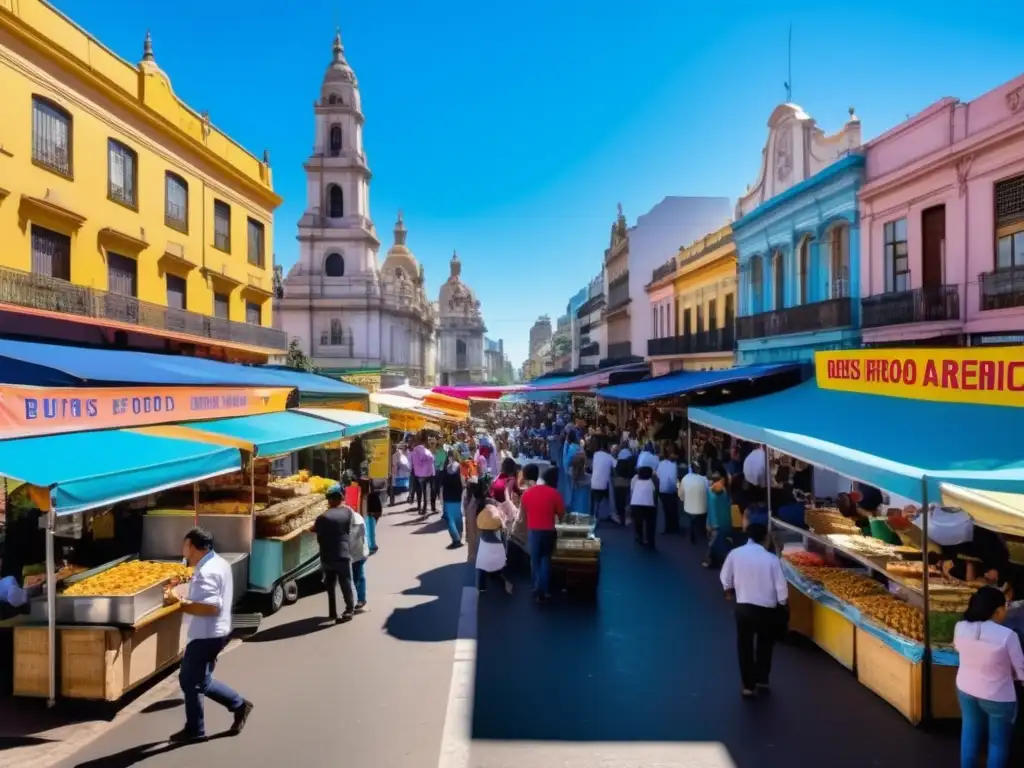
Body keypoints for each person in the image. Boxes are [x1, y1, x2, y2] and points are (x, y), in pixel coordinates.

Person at [165, 527, 252, 742]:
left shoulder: (207, 571)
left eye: (184, 545)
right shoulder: (218, 563)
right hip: (217, 632)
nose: (183, 550)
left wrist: (179, 602)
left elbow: (211, 607)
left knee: (189, 680)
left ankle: (196, 729)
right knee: (199, 680)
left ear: (192, 546)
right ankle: (238, 705)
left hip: (206, 635)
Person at [954, 585, 1024, 768]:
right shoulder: (1008, 635)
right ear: (998, 610)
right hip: (998, 697)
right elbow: (1021, 669)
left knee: (969, 735)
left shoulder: (960, 627)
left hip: (966, 690)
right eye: (1005, 606)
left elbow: (960, 650)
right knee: (998, 743)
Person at [720, 523, 788, 698]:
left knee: (744, 645)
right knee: (765, 643)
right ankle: (762, 678)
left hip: (743, 607)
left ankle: (748, 685)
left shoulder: (735, 554)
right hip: (767, 609)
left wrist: (729, 591)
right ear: (765, 538)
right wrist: (782, 603)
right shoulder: (772, 560)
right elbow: (781, 587)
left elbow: (725, 577)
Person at [521, 465, 565, 602]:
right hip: (549, 531)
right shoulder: (554, 493)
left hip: (533, 531)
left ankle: (536, 588)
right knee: (545, 559)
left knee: (534, 560)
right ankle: (545, 590)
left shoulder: (527, 494)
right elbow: (562, 514)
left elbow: (524, 511)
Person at [313, 484, 356, 623]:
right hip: (343, 554)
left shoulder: (322, 517)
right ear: (341, 498)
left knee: (330, 584)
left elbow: (314, 529)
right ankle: (349, 609)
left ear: (329, 500)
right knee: (346, 583)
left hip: (327, 556)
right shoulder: (348, 513)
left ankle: (332, 612)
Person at [475, 498, 514, 595]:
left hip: (484, 544)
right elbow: (504, 538)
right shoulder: (498, 518)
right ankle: (498, 574)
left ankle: (481, 587)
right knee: (500, 562)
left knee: (481, 565)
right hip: (497, 545)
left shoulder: (482, 516)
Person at [705, 470, 733, 568]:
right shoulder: (724, 491)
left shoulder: (709, 491)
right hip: (724, 522)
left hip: (715, 523)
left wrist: (708, 522)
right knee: (720, 542)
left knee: (714, 543)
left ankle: (711, 561)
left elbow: (710, 508)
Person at [680, 460, 709, 545]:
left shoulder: (685, 478)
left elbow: (681, 494)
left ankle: (693, 529)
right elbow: (707, 492)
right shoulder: (704, 479)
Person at [441, 450, 465, 548]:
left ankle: (456, 540)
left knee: (450, 519)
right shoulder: (460, 467)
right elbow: (463, 482)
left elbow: (442, 484)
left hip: (448, 496)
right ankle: (459, 537)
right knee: (457, 517)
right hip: (457, 496)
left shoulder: (445, 468)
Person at [630, 464, 657, 549]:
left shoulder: (635, 480)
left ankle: (639, 537)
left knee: (638, 522)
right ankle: (650, 541)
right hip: (649, 505)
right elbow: (654, 493)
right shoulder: (650, 482)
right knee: (650, 524)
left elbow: (632, 490)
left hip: (635, 503)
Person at [350, 502, 370, 612]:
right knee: (355, 576)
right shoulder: (354, 517)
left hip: (358, 552)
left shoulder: (356, 520)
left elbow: (356, 541)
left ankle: (361, 600)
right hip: (355, 552)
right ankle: (358, 600)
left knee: (358, 576)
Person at [656, 446, 680, 535]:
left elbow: (658, 476)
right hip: (670, 491)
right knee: (673, 508)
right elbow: (674, 480)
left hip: (662, 490)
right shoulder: (674, 465)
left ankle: (666, 527)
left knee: (665, 509)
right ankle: (673, 527)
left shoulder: (661, 463)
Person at [590, 437, 615, 521]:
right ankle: (611, 513)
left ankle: (594, 514)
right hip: (604, 486)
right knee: (611, 494)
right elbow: (617, 465)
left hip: (593, 483)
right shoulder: (609, 457)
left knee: (595, 498)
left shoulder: (595, 455)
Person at [411, 434, 437, 514]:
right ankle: (432, 507)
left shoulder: (414, 452)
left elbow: (412, 463)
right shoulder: (426, 451)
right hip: (430, 473)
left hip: (420, 474)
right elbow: (432, 459)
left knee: (423, 492)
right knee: (432, 490)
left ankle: (424, 508)